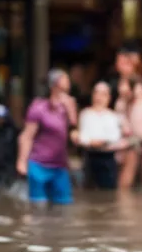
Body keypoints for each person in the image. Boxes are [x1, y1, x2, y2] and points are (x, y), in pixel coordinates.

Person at [16, 69, 77, 205]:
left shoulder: (68, 106)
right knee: (38, 207)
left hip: (60, 166)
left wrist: (71, 110)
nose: (68, 81)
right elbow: (27, 136)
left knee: (64, 207)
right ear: (55, 84)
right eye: (65, 78)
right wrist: (22, 161)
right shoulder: (39, 108)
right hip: (39, 165)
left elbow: (73, 128)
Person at [76, 82, 124, 190]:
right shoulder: (85, 114)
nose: (99, 97)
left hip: (108, 158)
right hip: (90, 156)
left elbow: (115, 137)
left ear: (109, 97)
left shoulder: (113, 116)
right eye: (97, 93)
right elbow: (82, 135)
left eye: (103, 94)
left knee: (108, 191)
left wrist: (101, 142)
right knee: (88, 191)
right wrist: (89, 142)